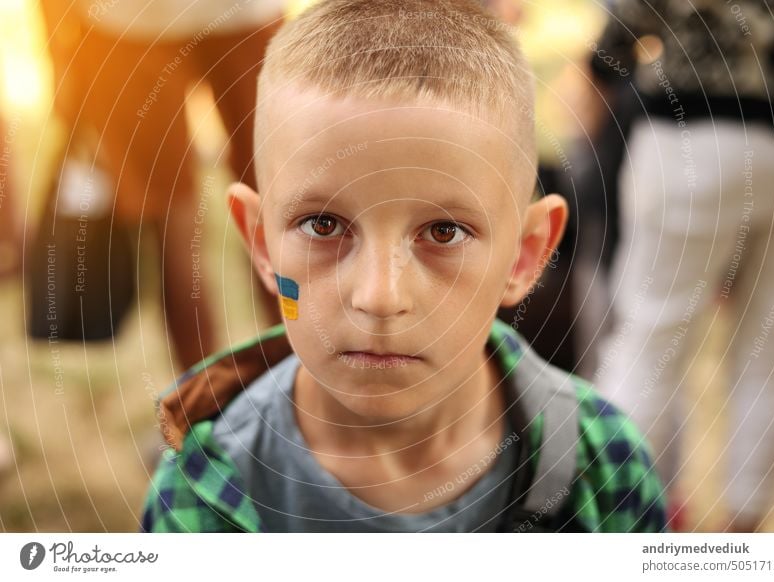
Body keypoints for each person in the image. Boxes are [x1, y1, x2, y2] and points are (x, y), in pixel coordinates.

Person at [140, 0, 665, 533]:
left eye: (444, 232)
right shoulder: (202, 493)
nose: (380, 296)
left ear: (524, 255)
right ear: (262, 242)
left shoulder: (605, 469)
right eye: (323, 226)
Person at [588, 0, 774, 531]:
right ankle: (741, 540)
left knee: (648, 340)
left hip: (686, 137)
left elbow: (615, 40)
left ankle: (620, 523)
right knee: (765, 354)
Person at [39, 0, 285, 368]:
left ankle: (203, 403)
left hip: (134, 23)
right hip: (185, 21)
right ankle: (285, 379)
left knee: (184, 218)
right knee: (271, 199)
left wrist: (58, 46)